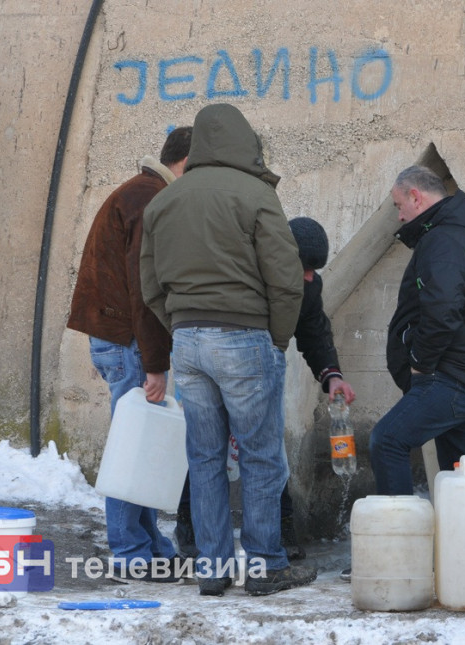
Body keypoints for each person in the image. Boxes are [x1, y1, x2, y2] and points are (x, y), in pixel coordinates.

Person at [140, 103, 317, 597]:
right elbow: (287, 281)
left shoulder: (164, 201)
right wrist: (275, 340)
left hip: (189, 341)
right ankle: (265, 566)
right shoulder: (256, 194)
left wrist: (181, 325)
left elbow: (150, 286)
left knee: (205, 458)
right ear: (244, 143)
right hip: (244, 337)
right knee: (261, 457)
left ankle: (212, 569)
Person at [172, 216, 357, 562]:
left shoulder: (308, 283)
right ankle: (192, 531)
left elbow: (314, 329)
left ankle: (281, 531)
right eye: (304, 267)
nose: (308, 276)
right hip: (220, 357)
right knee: (209, 450)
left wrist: (331, 374)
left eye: (314, 270)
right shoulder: (247, 271)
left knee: (267, 452)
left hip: (259, 370)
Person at [66, 125, 192, 583]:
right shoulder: (150, 199)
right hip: (128, 340)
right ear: (187, 162)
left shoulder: (143, 192)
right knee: (132, 448)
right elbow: (145, 290)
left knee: (139, 443)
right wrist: (156, 364)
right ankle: (130, 554)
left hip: (119, 336)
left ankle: (149, 544)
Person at [370, 165, 465, 495]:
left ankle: (400, 544)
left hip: (454, 376)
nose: (400, 217)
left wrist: (419, 360)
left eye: (398, 206)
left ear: (415, 197)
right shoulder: (464, 235)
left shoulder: (443, 239)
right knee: (459, 482)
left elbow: (443, 309)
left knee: (387, 441)